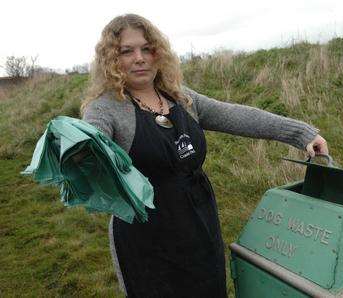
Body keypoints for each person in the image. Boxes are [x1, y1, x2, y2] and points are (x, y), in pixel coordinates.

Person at [81, 13, 328, 298]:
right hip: (145, 235)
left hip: (198, 222)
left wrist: (301, 134)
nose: (140, 58)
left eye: (146, 48)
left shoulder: (180, 97)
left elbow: (236, 115)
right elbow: (89, 142)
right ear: (112, 58)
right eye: (127, 51)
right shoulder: (105, 109)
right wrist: (80, 151)